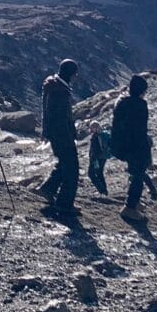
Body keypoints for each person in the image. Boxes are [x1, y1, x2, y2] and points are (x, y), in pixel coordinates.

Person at [38, 59, 81, 217]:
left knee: (64, 164)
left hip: (55, 134)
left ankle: (48, 189)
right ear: (70, 74)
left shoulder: (54, 86)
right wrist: (69, 136)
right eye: (74, 74)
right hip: (62, 135)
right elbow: (61, 118)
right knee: (72, 169)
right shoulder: (60, 91)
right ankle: (64, 204)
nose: (75, 77)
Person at [111, 74, 155, 222]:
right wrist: (146, 147)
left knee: (134, 173)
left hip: (121, 144)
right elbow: (139, 130)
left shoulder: (121, 101)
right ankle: (130, 208)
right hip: (135, 146)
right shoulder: (139, 105)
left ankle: (134, 202)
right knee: (138, 176)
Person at [87, 122, 112, 196]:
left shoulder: (97, 136)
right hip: (103, 157)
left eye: (92, 128)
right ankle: (104, 191)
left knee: (91, 174)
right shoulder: (104, 134)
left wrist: (93, 158)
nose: (91, 130)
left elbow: (95, 149)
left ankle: (101, 190)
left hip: (96, 158)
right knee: (99, 173)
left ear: (95, 127)